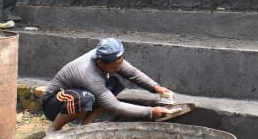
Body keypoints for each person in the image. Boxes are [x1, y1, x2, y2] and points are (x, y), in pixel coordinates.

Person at [41, 38, 174, 131]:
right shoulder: (89, 74)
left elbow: (132, 73)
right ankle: (54, 129)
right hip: (53, 103)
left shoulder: (109, 57)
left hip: (76, 94)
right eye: (113, 68)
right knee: (85, 98)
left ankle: (86, 125)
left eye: (119, 65)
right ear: (100, 63)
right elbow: (114, 106)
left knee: (114, 84)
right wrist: (150, 112)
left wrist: (155, 87)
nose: (118, 69)